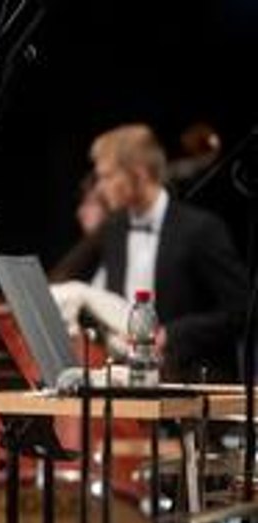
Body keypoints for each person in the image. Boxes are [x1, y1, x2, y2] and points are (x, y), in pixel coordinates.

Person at [88, 123, 246, 380]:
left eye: (107, 176)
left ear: (138, 174)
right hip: (128, 384)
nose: (100, 187)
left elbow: (241, 310)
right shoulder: (114, 230)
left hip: (194, 388)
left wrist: (172, 334)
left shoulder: (201, 229)